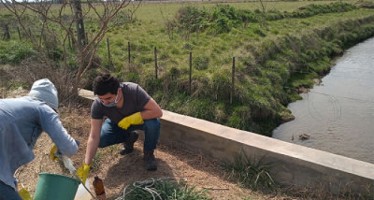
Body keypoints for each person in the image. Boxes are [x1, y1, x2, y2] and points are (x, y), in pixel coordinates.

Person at [0, 78, 79, 200]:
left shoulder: (11, 105)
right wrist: (70, 145)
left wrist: (11, 184)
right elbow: (69, 148)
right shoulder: (43, 108)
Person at [77, 74, 163, 183]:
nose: (105, 102)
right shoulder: (98, 105)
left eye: (108, 98)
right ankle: (129, 138)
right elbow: (94, 136)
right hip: (117, 124)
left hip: (139, 121)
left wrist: (134, 118)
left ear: (119, 91)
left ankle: (148, 154)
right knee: (101, 139)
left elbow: (158, 112)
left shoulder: (133, 90)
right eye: (101, 99)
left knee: (153, 123)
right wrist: (87, 164)